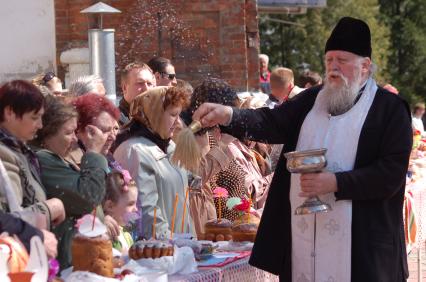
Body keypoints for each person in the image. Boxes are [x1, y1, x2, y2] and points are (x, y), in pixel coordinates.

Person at [193, 17, 412, 281]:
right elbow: (271, 122)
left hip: (362, 248)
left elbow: (390, 174)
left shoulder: (389, 110)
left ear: (365, 66)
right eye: (329, 60)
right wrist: (228, 115)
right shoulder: (311, 100)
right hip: (304, 242)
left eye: (342, 61)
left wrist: (336, 182)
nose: (333, 68)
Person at [33, 96, 109, 268]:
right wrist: (94, 152)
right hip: (67, 264)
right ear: (46, 134)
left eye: (75, 132)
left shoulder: (58, 158)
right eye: (68, 133)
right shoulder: (42, 159)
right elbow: (88, 196)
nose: (75, 139)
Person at [113, 87, 195, 239]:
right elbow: (146, 211)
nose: (178, 122)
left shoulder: (169, 146)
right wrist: (174, 241)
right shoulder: (135, 151)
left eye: (179, 115)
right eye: (172, 115)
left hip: (180, 246)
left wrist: (190, 240)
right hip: (156, 252)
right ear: (155, 115)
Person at [0, 81, 66, 250]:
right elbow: (8, 217)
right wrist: (51, 208)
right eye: (34, 117)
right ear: (10, 113)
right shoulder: (4, 153)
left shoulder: (18, 149)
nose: (40, 125)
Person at [67, 93, 121, 170]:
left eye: (114, 129)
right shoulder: (72, 164)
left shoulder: (107, 156)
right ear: (79, 130)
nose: (112, 137)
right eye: (104, 130)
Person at [102, 170, 138, 253]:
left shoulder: (127, 236)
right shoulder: (101, 236)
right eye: (130, 204)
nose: (136, 209)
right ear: (110, 206)